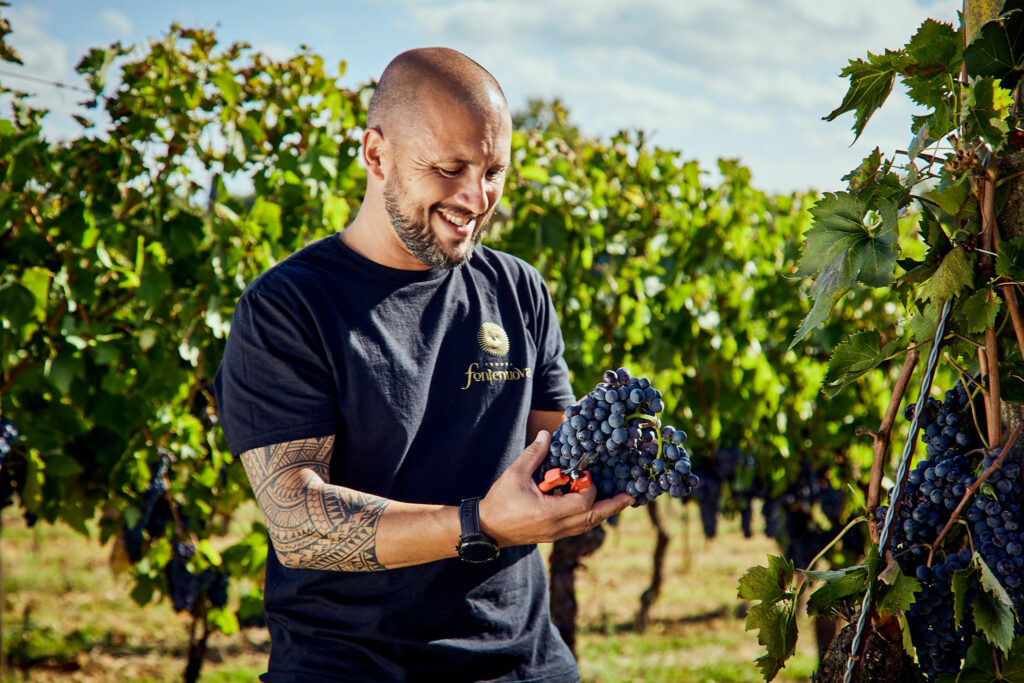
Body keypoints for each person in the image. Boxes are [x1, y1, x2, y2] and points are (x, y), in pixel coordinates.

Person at [214, 46, 633, 682]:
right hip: (350, 667)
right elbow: (296, 521)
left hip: (524, 664)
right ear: (375, 154)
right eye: (449, 167)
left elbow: (552, 450)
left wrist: (602, 462)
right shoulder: (289, 306)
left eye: (493, 171)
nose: (476, 197)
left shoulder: (519, 289)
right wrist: (480, 523)